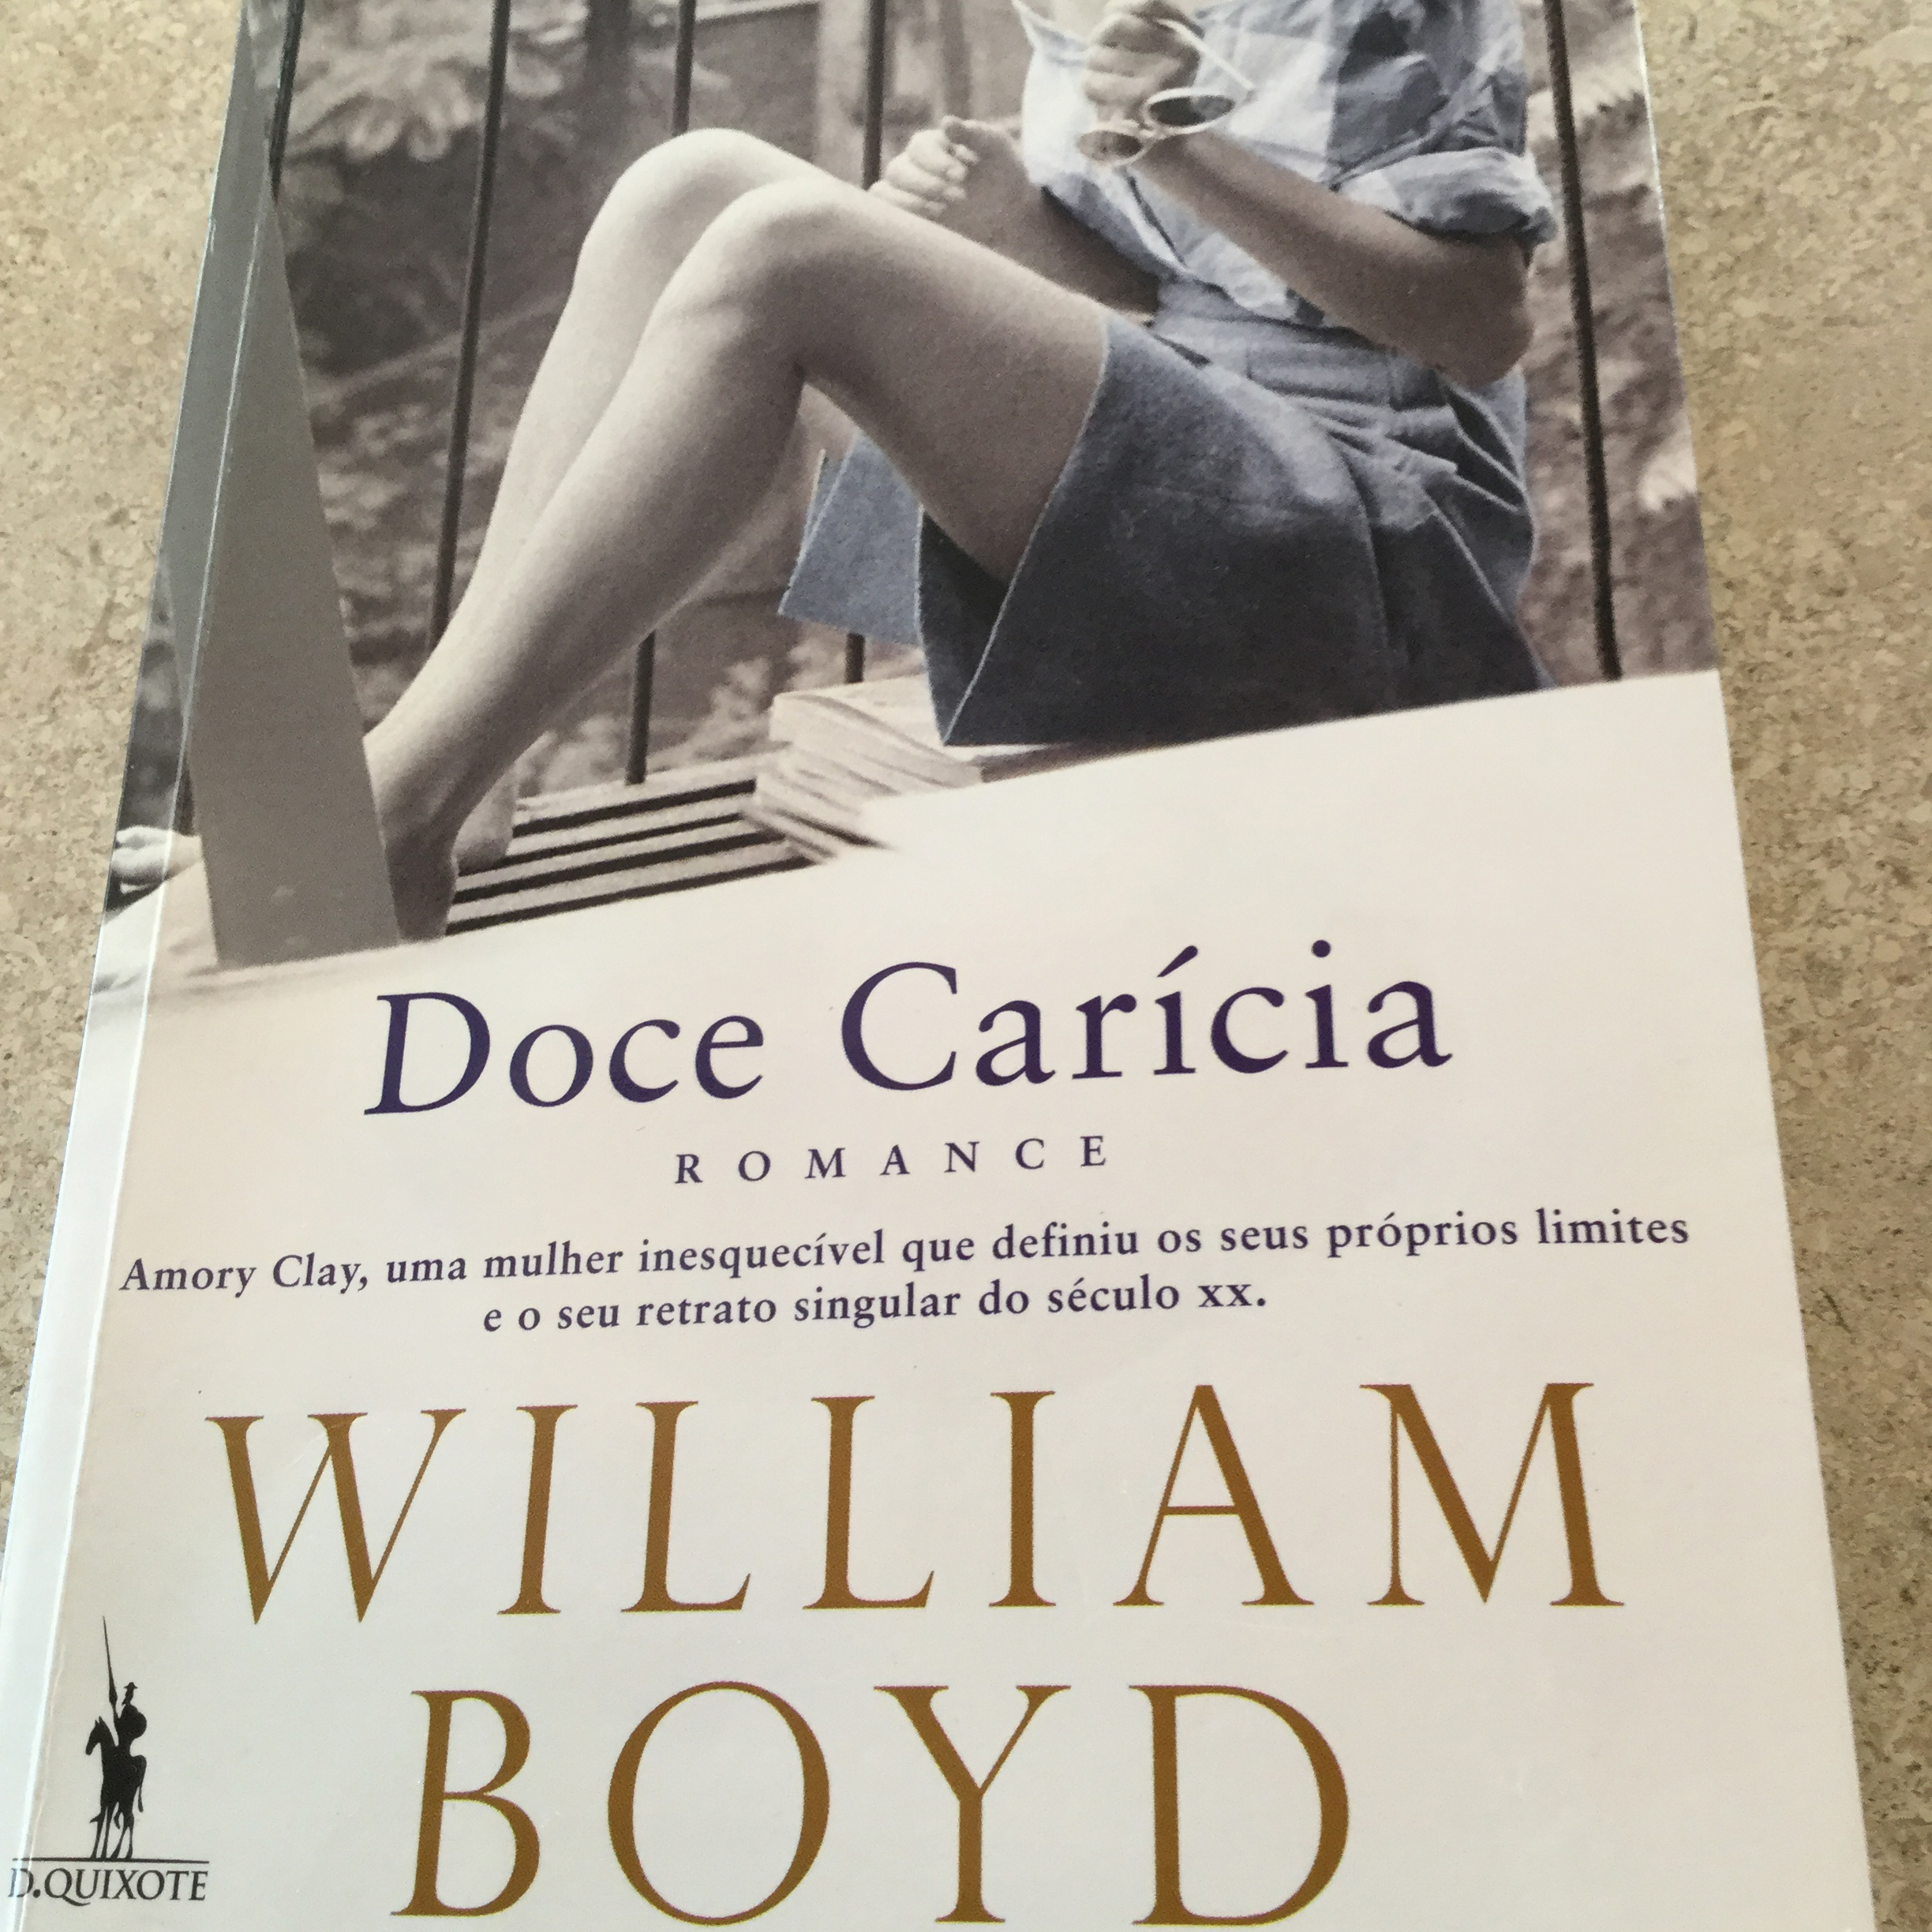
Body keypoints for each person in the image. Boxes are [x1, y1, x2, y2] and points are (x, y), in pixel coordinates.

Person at [350, 0, 1556, 939]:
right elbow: (1182, 281)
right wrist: (1012, 223)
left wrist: (1180, 149)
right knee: (688, 183)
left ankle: (389, 817)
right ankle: (459, 780)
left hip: (1362, 548)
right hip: (1190, 467)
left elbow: (1479, 323)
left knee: (786, 253)